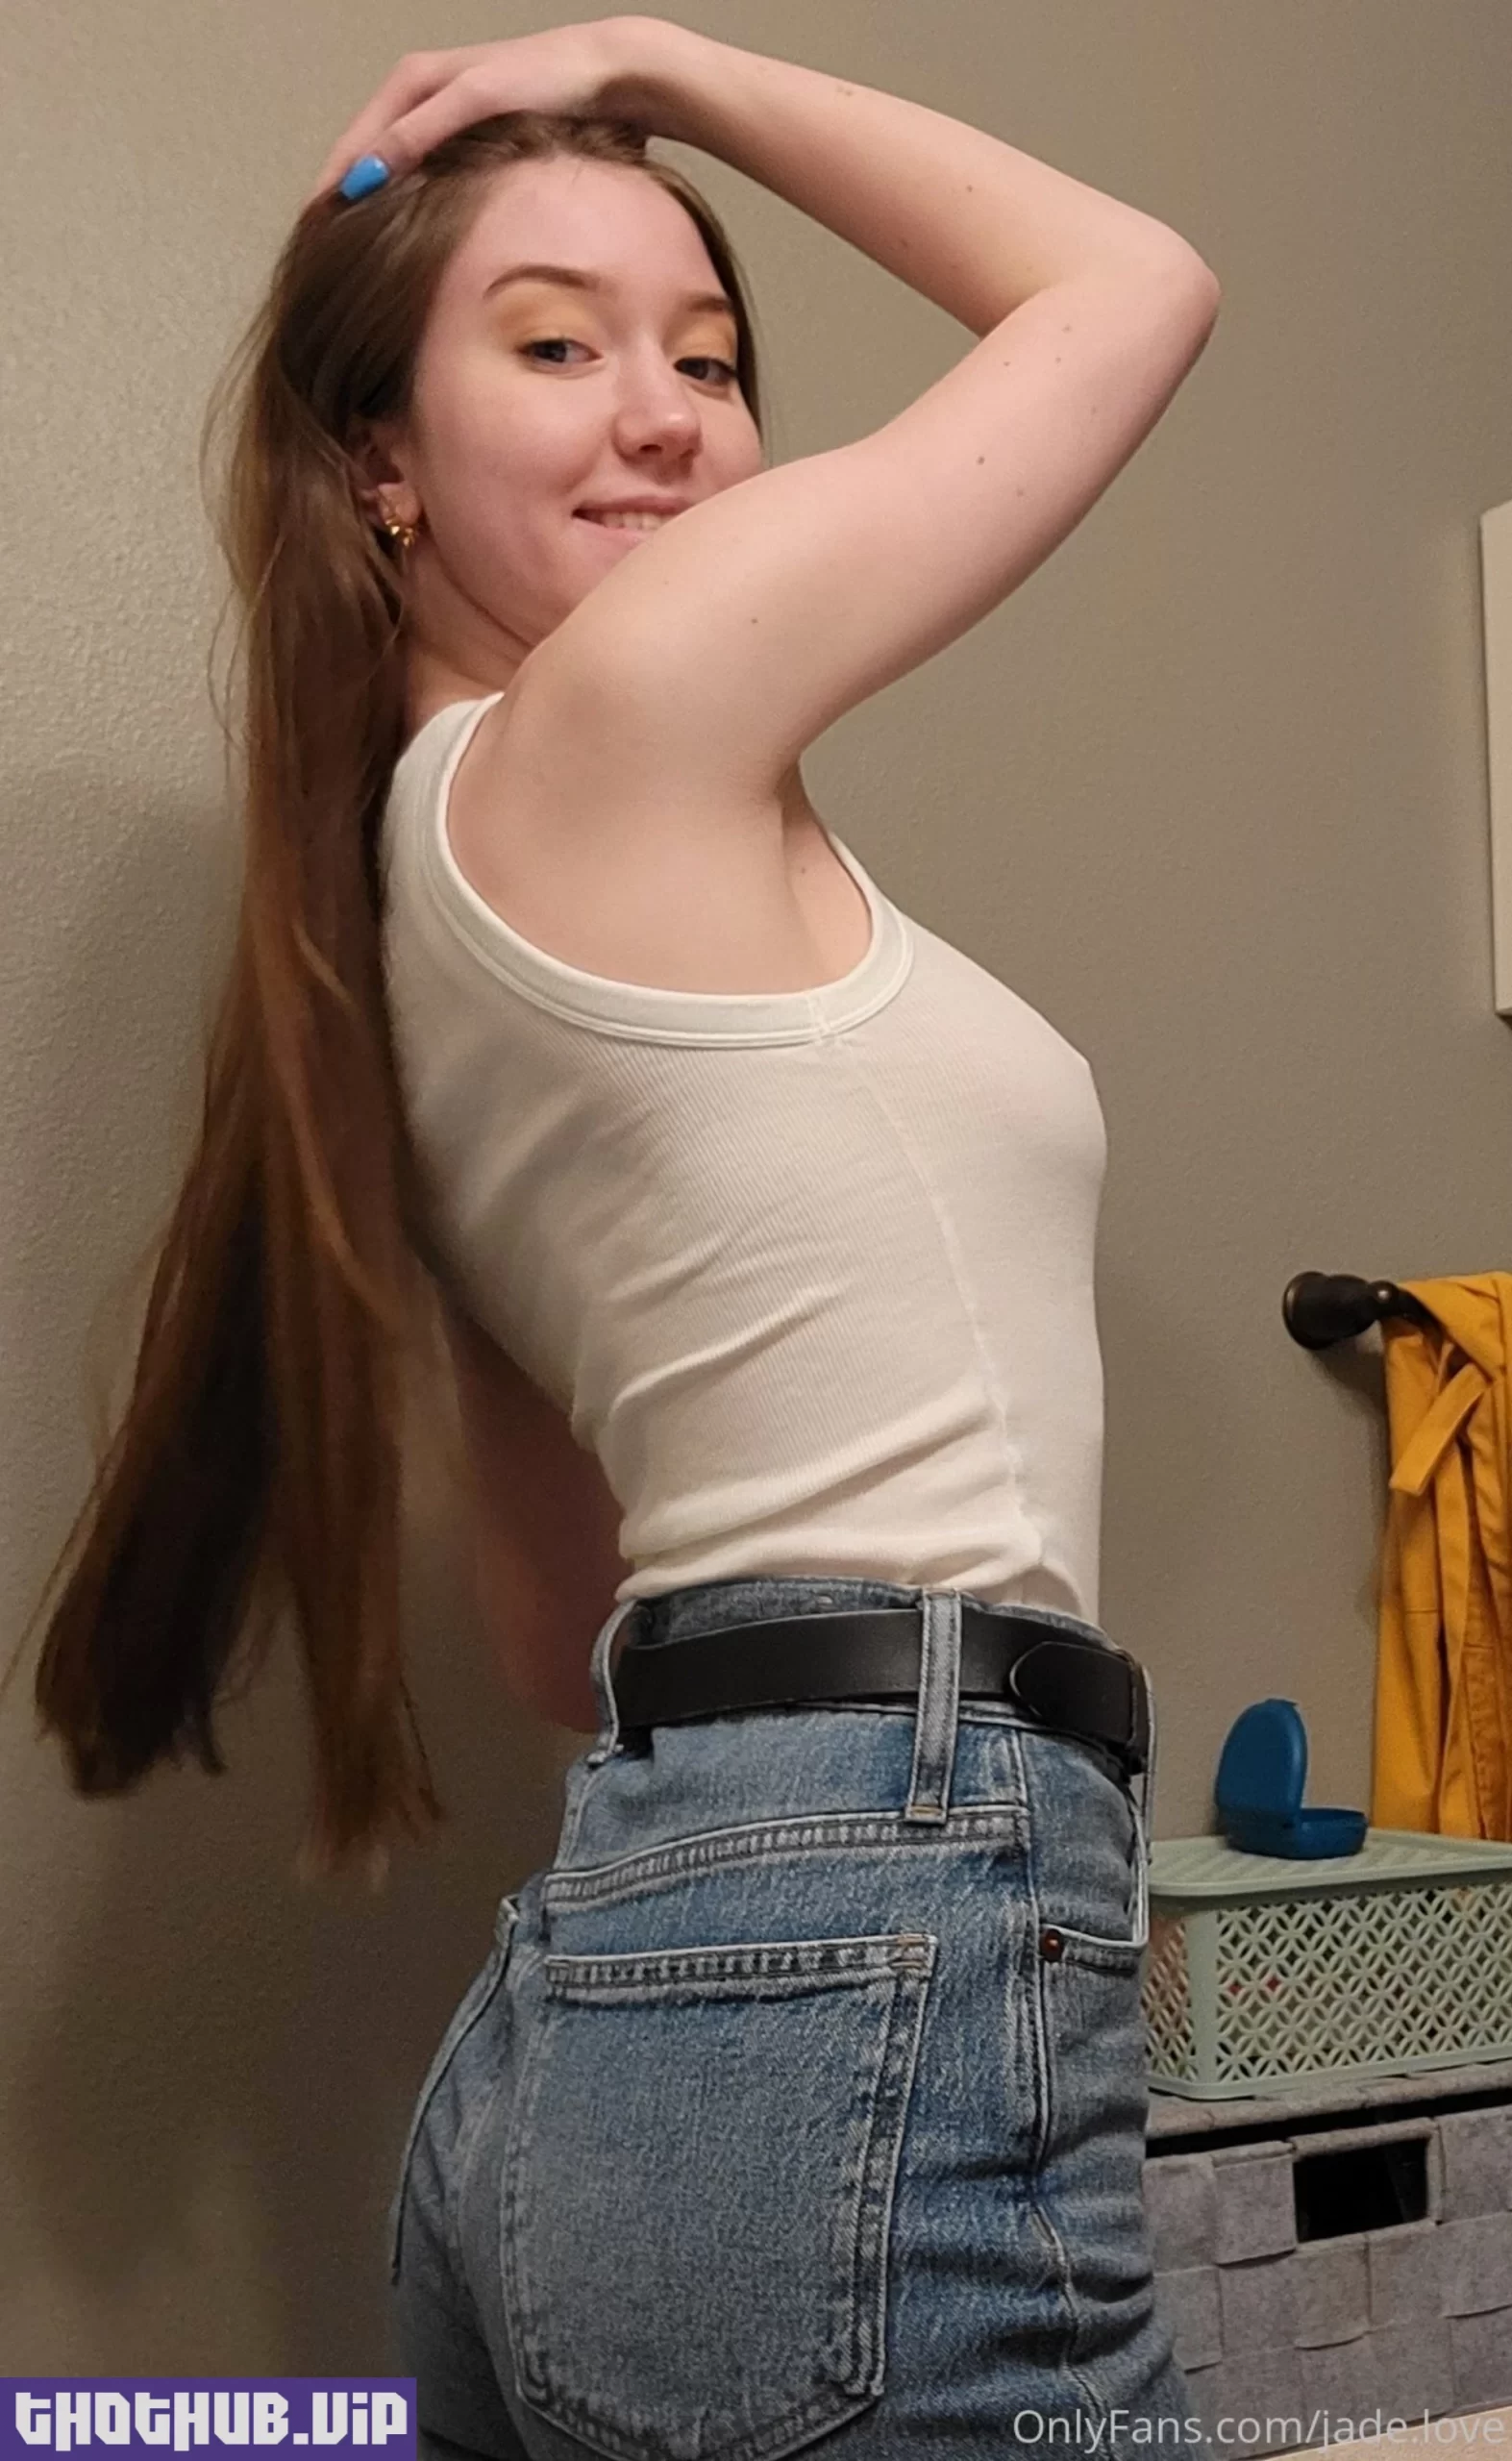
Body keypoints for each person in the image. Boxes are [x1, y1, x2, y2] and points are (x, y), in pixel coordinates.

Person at [28, 13, 1221, 2452]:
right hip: (876, 1924)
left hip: (600, 2011)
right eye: (557, 347)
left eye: (709, 355)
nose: (664, 416)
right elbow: (1133, 286)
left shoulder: (396, 926)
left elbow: (558, 1620)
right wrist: (659, 63)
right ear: (377, 460)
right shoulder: (626, 709)